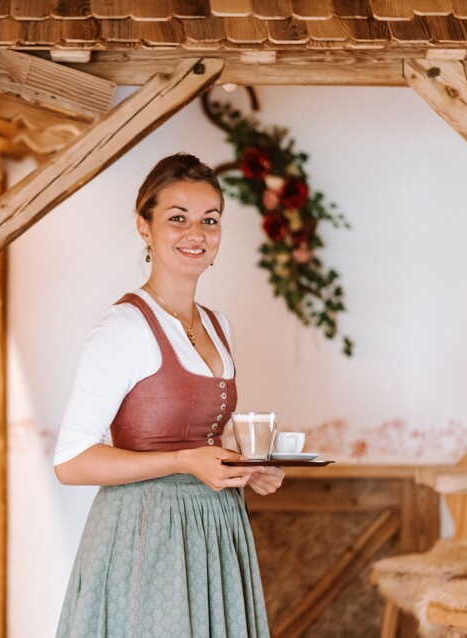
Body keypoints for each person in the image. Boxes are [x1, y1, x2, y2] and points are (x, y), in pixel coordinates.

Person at [54, 153, 284, 637]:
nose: (195, 234)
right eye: (177, 218)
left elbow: (208, 437)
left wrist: (249, 465)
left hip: (216, 526)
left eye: (210, 220)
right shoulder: (123, 328)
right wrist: (183, 462)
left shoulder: (220, 326)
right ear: (145, 226)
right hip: (145, 532)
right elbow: (71, 461)